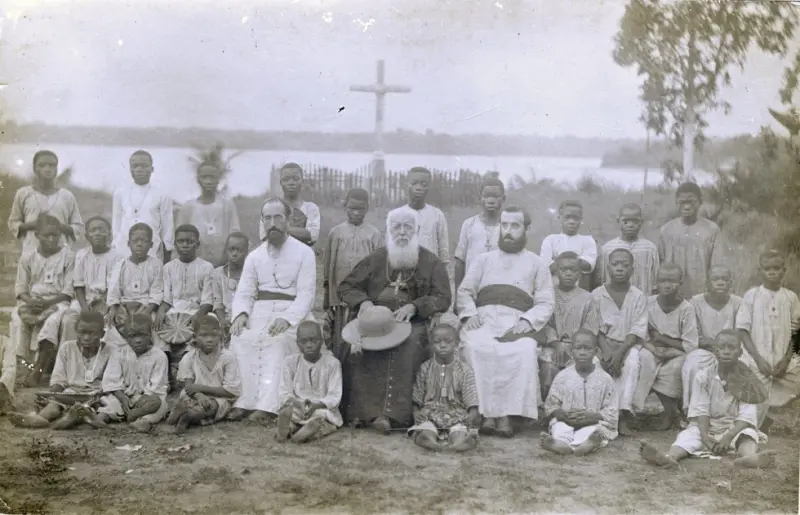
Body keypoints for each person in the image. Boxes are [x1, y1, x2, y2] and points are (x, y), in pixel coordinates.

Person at [338, 206, 451, 432]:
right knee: (358, 346)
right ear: (388, 230)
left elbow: (443, 297)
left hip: (411, 322)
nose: (402, 232)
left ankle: (392, 415)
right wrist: (364, 303)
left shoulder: (431, 262)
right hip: (374, 321)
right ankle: (362, 413)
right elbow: (347, 286)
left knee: (407, 346)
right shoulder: (377, 258)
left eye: (407, 227)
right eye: (396, 227)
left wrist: (415, 305)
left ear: (416, 230)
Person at [457, 205, 554, 438]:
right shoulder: (483, 260)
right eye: (505, 225)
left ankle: (508, 416)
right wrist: (470, 315)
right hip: (484, 319)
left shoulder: (537, 263)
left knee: (524, 348)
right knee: (476, 346)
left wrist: (528, 321)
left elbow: (545, 301)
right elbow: (465, 291)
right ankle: (485, 413)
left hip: (515, 321)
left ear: (526, 229)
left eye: (515, 226)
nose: (508, 231)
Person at [227, 198, 317, 424]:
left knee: (277, 342)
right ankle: (242, 402)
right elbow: (245, 292)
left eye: (278, 217)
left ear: (288, 220)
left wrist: (287, 319)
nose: (272, 223)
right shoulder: (255, 256)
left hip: (292, 311)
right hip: (260, 310)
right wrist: (241, 315)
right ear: (262, 221)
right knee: (241, 338)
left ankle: (268, 406)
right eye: (267, 218)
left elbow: (306, 295)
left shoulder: (305, 253)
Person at [640, 330, 775, 469]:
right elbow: (701, 410)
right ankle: (670, 457)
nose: (726, 352)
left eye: (732, 348)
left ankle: (748, 458)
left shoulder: (748, 379)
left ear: (740, 353)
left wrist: (728, 436)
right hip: (708, 427)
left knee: (748, 435)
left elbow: (746, 417)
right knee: (689, 435)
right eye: (722, 347)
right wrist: (704, 436)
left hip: (734, 428)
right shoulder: (703, 376)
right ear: (715, 352)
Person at [7, 311, 112, 429]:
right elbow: (59, 379)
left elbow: (112, 381)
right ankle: (40, 419)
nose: (86, 337)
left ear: (102, 334)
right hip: (72, 392)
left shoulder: (109, 351)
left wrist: (100, 392)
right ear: (76, 331)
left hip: (98, 394)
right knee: (54, 404)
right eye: (82, 332)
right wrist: (53, 395)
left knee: (109, 404)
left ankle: (92, 420)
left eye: (92, 333)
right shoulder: (67, 348)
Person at [736, 250, 800, 428]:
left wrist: (786, 360)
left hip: (784, 359)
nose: (772, 272)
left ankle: (774, 416)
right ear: (760, 271)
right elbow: (742, 330)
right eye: (767, 268)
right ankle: (760, 418)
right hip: (756, 358)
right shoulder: (752, 295)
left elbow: (797, 332)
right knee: (750, 386)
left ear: (783, 271)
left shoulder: (790, 297)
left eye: (776, 268)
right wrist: (758, 359)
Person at [11, 214, 75, 387]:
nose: (52, 239)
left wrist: (49, 303)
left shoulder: (68, 257)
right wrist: (30, 300)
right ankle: (21, 367)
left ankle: (39, 369)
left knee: (53, 321)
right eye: (47, 235)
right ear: (37, 235)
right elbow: (21, 287)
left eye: (56, 235)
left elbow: (68, 291)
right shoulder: (28, 257)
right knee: (17, 319)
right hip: (33, 301)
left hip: (58, 301)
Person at [591, 248, 647, 436]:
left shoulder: (638, 296)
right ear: (608, 268)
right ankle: (600, 414)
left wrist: (620, 352)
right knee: (595, 364)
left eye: (625, 265)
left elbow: (637, 329)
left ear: (632, 269)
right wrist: (607, 351)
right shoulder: (597, 295)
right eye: (615, 264)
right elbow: (595, 327)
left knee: (631, 363)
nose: (620, 269)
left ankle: (622, 415)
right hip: (602, 344)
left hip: (627, 345)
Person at [634, 264, 698, 430]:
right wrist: (654, 348)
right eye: (662, 280)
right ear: (657, 282)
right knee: (643, 359)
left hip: (676, 352)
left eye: (672, 281)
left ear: (680, 282)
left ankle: (670, 413)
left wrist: (662, 338)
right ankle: (633, 410)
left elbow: (690, 344)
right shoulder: (647, 303)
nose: (667, 285)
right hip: (650, 348)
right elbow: (639, 334)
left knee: (676, 367)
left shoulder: (687, 309)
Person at [322, 188, 382, 362]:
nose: (356, 213)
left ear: (367, 208)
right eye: (351, 208)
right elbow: (328, 267)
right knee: (340, 340)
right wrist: (329, 297)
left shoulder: (374, 235)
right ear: (344, 207)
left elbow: (379, 270)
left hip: (364, 299)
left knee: (362, 340)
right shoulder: (336, 233)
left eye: (360, 209)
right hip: (340, 300)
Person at [542, 329, 618, 455]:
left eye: (588, 348)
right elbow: (552, 404)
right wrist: (560, 413)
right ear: (571, 351)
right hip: (567, 421)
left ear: (596, 351)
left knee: (595, 431)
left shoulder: (605, 379)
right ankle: (561, 443)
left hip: (592, 422)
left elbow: (611, 409)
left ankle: (583, 444)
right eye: (578, 348)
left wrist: (594, 416)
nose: (583, 353)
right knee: (560, 428)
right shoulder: (563, 376)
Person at [89, 314, 169, 432]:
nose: (138, 340)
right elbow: (112, 380)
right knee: (110, 401)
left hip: (147, 399)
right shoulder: (119, 353)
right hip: (124, 397)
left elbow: (157, 386)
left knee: (160, 405)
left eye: (142, 335)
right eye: (132, 336)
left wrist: (141, 403)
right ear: (125, 336)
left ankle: (143, 420)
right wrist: (122, 398)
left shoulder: (159, 356)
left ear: (150, 334)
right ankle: (103, 418)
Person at [155, 224, 214, 385]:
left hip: (197, 310)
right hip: (174, 311)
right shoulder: (168, 268)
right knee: (159, 326)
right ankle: (165, 377)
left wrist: (198, 315)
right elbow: (167, 299)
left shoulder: (206, 267)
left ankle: (187, 377)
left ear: (197, 244)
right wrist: (161, 311)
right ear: (175, 244)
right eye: (181, 241)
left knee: (202, 328)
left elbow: (208, 301)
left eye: (190, 241)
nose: (185, 245)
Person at [409, 324, 480, 452]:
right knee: (426, 428)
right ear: (431, 345)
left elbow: (471, 398)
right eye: (437, 342)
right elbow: (417, 395)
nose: (442, 345)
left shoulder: (464, 370)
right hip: (430, 413)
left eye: (448, 341)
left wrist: (472, 415)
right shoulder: (425, 368)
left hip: (457, 414)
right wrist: (416, 412)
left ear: (456, 343)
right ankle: (429, 439)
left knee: (459, 430)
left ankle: (459, 442)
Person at [166, 315, 241, 434]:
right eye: (204, 335)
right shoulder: (190, 357)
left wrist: (201, 388)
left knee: (210, 406)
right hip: (194, 395)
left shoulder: (227, 357)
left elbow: (230, 391)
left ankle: (188, 416)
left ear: (220, 335)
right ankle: (181, 413)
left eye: (214, 335)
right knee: (189, 400)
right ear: (195, 337)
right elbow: (189, 386)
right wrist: (199, 395)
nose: (210, 339)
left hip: (219, 398)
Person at [541, 251, 598, 399]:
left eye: (572, 270)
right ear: (556, 271)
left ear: (579, 273)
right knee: (548, 367)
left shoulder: (587, 298)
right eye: (563, 269)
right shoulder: (548, 295)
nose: (568, 274)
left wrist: (573, 345)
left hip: (578, 347)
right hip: (552, 346)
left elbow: (590, 327)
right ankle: (549, 409)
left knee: (585, 372)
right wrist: (556, 344)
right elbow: (545, 324)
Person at [683, 265, 741, 411]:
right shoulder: (695, 303)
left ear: (731, 283)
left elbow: (741, 332)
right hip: (705, 349)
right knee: (692, 364)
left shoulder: (738, 303)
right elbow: (694, 334)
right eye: (715, 279)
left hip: (731, 350)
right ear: (707, 283)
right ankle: (692, 411)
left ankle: (734, 412)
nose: (720, 283)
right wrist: (714, 347)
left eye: (724, 279)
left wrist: (727, 349)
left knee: (747, 365)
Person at [61, 216, 124, 344]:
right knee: (69, 319)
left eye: (101, 229)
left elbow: (116, 286)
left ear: (109, 233)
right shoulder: (81, 255)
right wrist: (84, 308)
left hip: (109, 300)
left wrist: (106, 303)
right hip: (85, 300)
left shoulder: (117, 257)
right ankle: (72, 354)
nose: (97, 233)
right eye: (93, 230)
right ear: (87, 235)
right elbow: (78, 286)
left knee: (111, 321)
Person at [658, 182, 728, 298]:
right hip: (673, 295)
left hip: (702, 294)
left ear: (700, 201)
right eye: (682, 202)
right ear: (676, 202)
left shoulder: (711, 230)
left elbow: (717, 265)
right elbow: (661, 265)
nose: (687, 207)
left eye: (691, 202)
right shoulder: (666, 230)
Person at [276, 321, 342, 443]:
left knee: (322, 416)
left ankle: (305, 431)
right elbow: (284, 392)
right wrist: (298, 404)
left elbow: (334, 396)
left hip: (320, 408)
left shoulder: (332, 363)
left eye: (314, 340)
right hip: (297, 407)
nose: (309, 345)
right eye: (304, 341)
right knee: (290, 412)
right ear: (297, 343)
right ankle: (287, 429)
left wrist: (315, 406)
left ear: (321, 341)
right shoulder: (290, 362)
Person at [8, 150, 84, 254]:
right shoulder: (23, 193)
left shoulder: (67, 196)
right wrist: (32, 225)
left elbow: (78, 226)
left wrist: (58, 226)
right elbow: (13, 223)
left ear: (57, 169)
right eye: (42, 165)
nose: (48, 169)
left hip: (60, 254)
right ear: (34, 169)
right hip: (31, 253)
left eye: (52, 165)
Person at [176, 157, 241, 267]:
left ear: (218, 179)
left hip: (223, 263)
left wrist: (225, 259)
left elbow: (234, 234)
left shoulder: (227, 205)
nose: (208, 181)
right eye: (204, 177)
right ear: (198, 179)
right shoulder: (188, 207)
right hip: (195, 264)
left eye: (212, 177)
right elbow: (179, 238)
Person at [112, 150, 174, 263]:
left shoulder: (162, 195)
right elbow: (116, 223)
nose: (139, 169)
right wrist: (116, 243)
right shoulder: (120, 193)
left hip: (151, 248)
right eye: (135, 166)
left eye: (144, 166)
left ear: (152, 169)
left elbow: (167, 227)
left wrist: (167, 254)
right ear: (130, 169)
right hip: (124, 248)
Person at [105, 223, 164, 342]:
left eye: (144, 241)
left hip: (146, 305)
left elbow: (157, 291)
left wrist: (147, 310)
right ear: (128, 243)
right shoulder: (120, 265)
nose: (139, 244)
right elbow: (114, 289)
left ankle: (159, 353)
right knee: (111, 324)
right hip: (124, 305)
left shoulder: (156, 265)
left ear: (151, 245)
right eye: (135, 240)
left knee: (154, 323)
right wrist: (114, 308)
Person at [454, 178, 505, 292]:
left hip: (499, 288)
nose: (491, 200)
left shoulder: (508, 225)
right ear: (479, 198)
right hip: (472, 287)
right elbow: (460, 261)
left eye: (496, 196)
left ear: (503, 198)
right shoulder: (469, 224)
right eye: (486, 196)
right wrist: (458, 294)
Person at [596, 203, 659, 295]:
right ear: (618, 220)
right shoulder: (607, 249)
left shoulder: (650, 248)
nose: (630, 225)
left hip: (644, 301)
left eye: (635, 221)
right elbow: (603, 279)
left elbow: (655, 283)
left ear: (642, 222)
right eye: (625, 221)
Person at [540, 200, 597, 291]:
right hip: (553, 290)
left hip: (579, 290)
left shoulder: (588, 240)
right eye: (567, 217)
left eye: (576, 218)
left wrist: (558, 262)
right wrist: (576, 264)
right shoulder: (550, 240)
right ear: (559, 218)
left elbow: (588, 265)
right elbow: (545, 265)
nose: (572, 221)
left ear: (581, 219)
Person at [259, 163, 320, 246]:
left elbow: (312, 235)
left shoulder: (311, 208)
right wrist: (298, 231)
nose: (291, 183)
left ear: (302, 181)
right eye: (286, 179)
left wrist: (280, 228)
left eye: (295, 179)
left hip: (302, 255)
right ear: (281, 182)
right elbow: (263, 235)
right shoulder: (270, 206)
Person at [405, 167, 450, 265]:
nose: (418, 187)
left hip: (430, 272)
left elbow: (444, 252)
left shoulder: (437, 215)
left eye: (424, 184)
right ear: (407, 184)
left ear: (429, 187)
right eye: (414, 183)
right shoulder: (397, 215)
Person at [211, 232, 249, 341]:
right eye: (231, 249)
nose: (234, 253)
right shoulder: (218, 273)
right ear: (226, 250)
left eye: (239, 250)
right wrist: (223, 321)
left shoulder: (251, 273)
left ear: (246, 251)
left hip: (246, 317)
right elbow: (217, 302)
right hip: (225, 318)